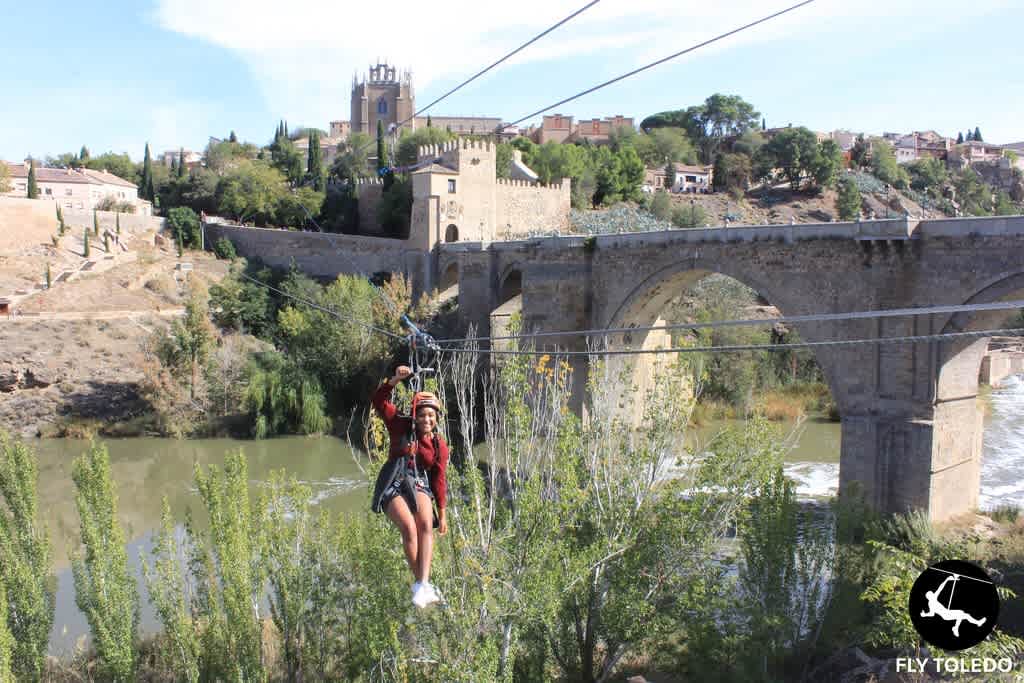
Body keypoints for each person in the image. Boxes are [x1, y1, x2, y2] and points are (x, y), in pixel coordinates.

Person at [371, 365, 449, 608]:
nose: (427, 420)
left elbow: (439, 479)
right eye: (423, 415)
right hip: (394, 480)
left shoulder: (438, 445)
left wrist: (443, 513)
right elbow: (378, 401)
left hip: (419, 481)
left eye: (432, 416)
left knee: (426, 524)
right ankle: (422, 585)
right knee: (409, 527)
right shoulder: (400, 425)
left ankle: (422, 584)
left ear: (436, 419)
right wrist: (395, 380)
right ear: (415, 414)